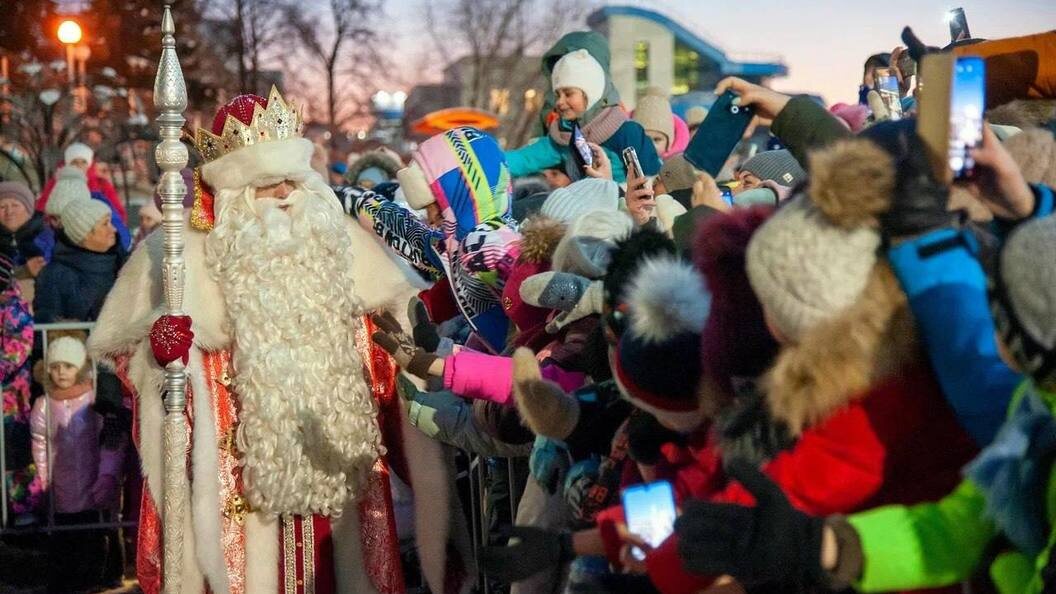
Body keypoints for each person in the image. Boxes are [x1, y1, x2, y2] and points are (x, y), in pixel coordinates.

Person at [86, 87, 469, 594]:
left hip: (340, 479)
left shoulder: (340, 246)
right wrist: (159, 354)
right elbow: (128, 364)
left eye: (294, 178)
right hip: (239, 489)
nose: (287, 193)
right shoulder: (179, 256)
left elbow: (389, 357)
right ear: (235, 192)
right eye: (270, 184)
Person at [31, 336, 123, 592]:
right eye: (56, 366)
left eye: (69, 366)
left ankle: (99, 576)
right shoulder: (44, 405)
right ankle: (69, 579)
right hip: (61, 486)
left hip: (93, 483)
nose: (62, 372)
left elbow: (109, 441)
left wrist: (107, 475)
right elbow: (40, 443)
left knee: (95, 532)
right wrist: (44, 479)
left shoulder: (93, 400)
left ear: (80, 368)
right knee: (67, 537)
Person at [506, 47, 661, 183]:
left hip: (626, 209)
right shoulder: (564, 137)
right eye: (557, 95)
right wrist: (489, 161)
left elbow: (650, 178)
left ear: (591, 94)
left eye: (568, 94)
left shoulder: (626, 132)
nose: (559, 102)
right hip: (584, 207)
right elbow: (526, 158)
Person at [33, 199, 124, 323]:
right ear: (84, 234)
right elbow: (49, 324)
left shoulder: (124, 265)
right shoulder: (54, 275)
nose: (113, 229)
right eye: (105, 224)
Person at [0, 253, 38, 524]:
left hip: (12, 398)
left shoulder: (14, 309)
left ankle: (23, 507)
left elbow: (18, 348)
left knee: (15, 451)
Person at [35, 143, 128, 224]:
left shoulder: (101, 184)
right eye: (74, 162)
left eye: (83, 162)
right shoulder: (55, 183)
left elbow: (118, 213)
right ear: (68, 163)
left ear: (89, 163)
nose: (79, 166)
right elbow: (41, 209)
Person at [0, 181, 53, 300]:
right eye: (2, 207)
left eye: (15, 205)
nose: (9, 212)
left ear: (28, 209)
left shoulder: (45, 239)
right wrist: (22, 272)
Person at [633, 87, 690, 160]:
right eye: (644, 139)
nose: (651, 145)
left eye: (657, 139)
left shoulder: (677, 166)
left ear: (668, 143)